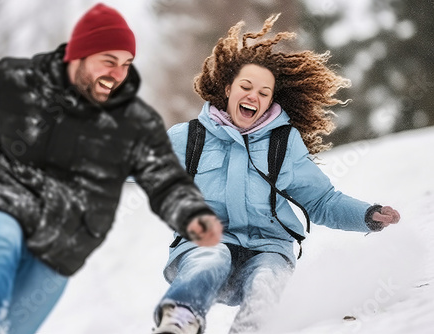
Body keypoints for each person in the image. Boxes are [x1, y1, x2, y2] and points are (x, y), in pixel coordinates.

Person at [0, 3, 223, 334]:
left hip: (62, 247)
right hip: (5, 203)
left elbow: (166, 179)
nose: (117, 73)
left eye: (125, 64)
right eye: (108, 61)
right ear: (78, 55)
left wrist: (191, 214)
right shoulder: (16, 83)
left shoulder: (135, 123)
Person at [152, 14, 401, 334]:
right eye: (245, 86)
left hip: (269, 247)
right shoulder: (190, 138)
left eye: (263, 92)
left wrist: (367, 215)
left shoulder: (284, 145)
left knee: (266, 280)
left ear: (271, 100)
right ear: (227, 89)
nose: (253, 96)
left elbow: (322, 201)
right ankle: (180, 319)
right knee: (208, 260)